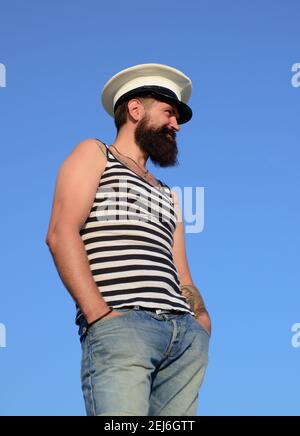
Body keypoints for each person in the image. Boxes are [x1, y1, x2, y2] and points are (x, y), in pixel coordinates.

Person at [45, 63, 211, 416]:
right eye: (169, 113)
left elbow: (182, 273)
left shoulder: (168, 194)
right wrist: (100, 316)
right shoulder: (95, 154)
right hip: (122, 328)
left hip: (183, 337)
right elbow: (61, 233)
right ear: (135, 110)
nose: (176, 125)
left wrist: (202, 321)